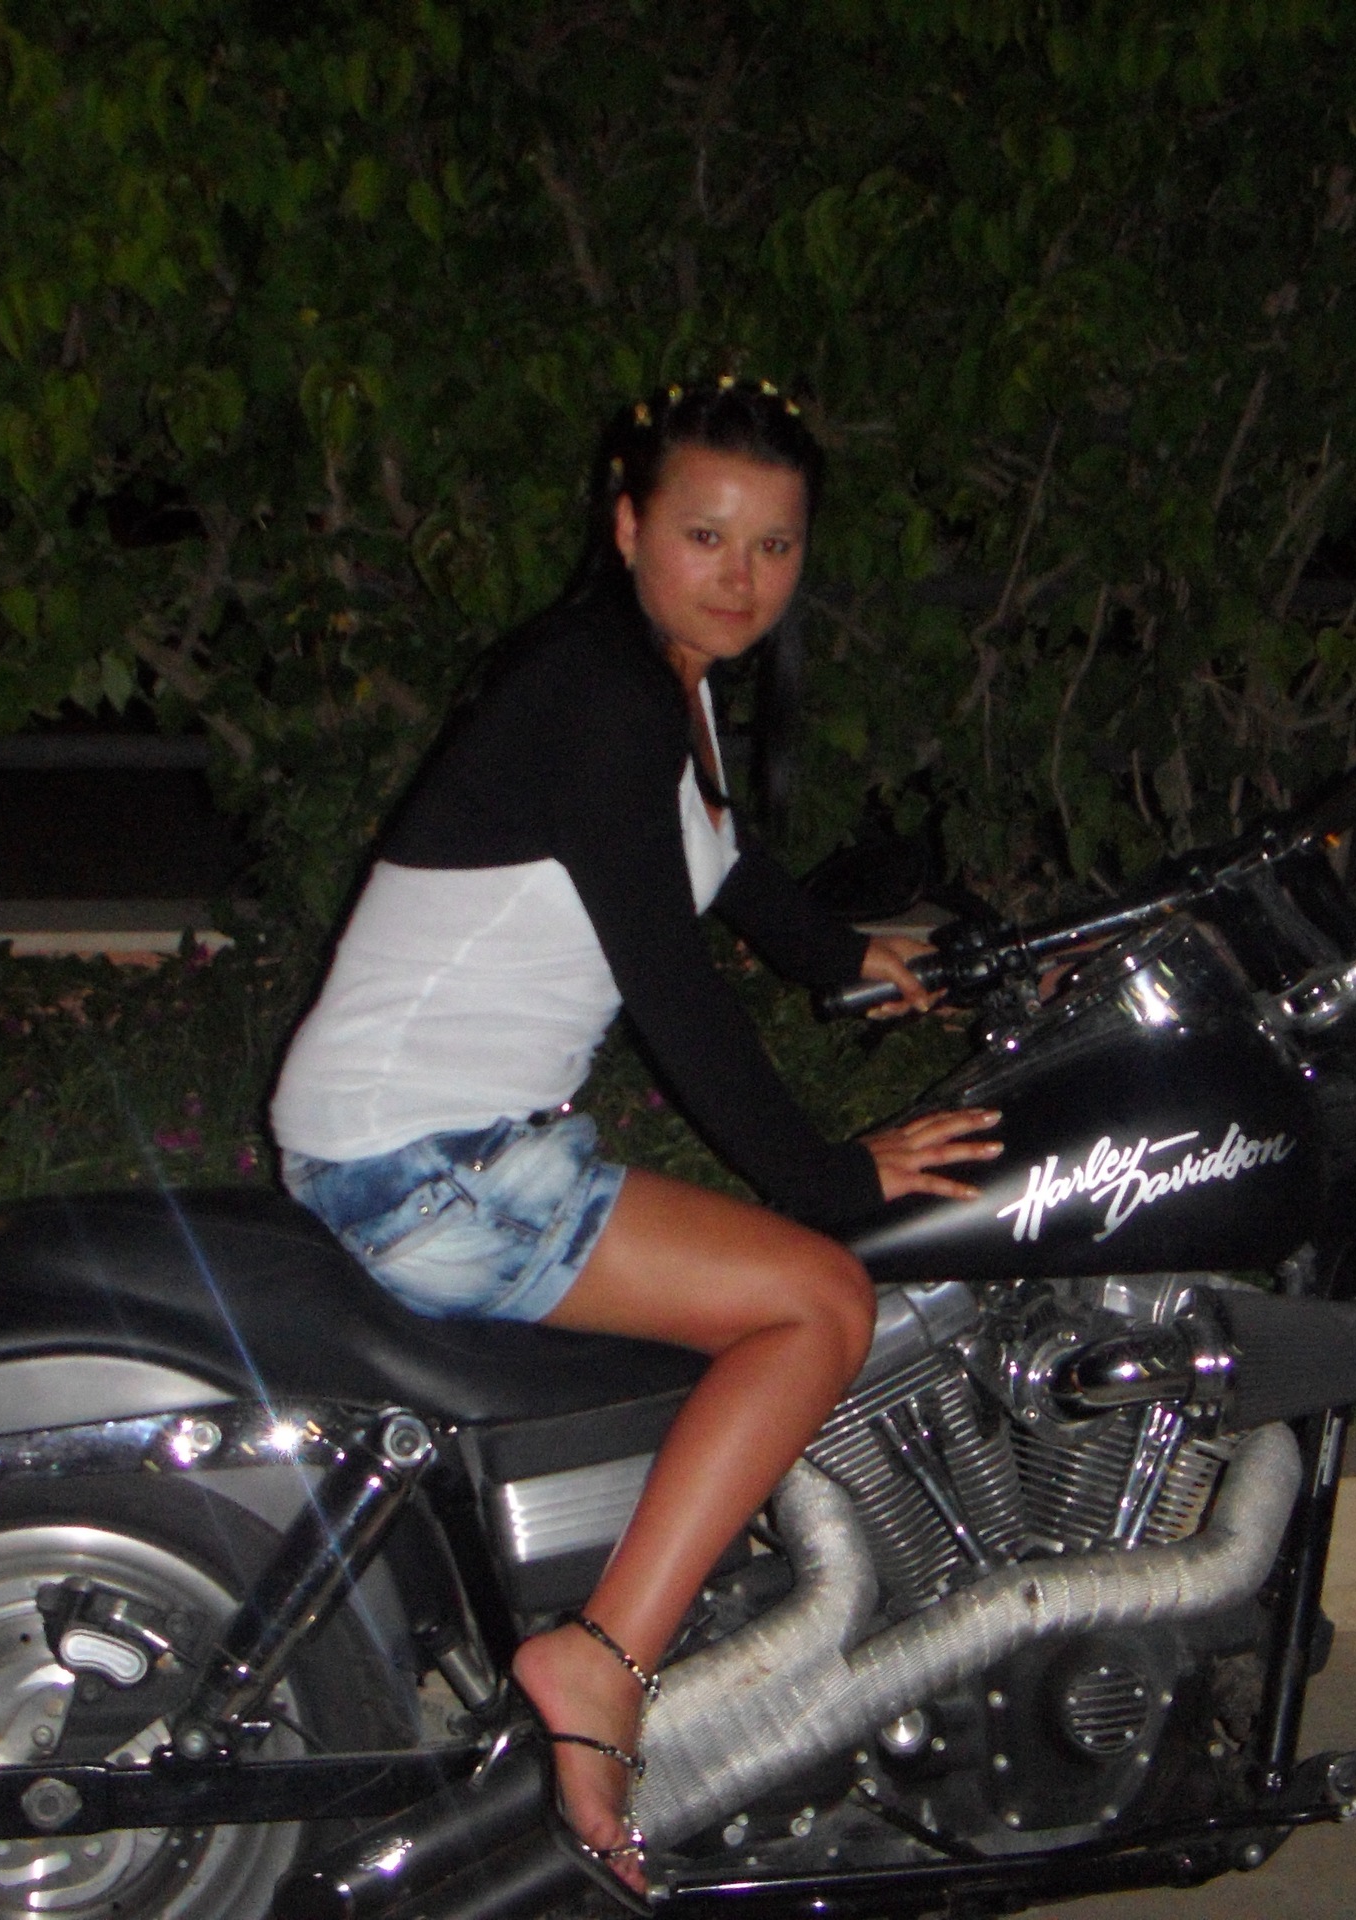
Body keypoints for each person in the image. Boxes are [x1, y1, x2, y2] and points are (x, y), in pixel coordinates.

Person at [271, 375, 1000, 1888]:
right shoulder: (601, 697)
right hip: (426, 1164)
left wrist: (857, 958)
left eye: (774, 546)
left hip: (438, 1138)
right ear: (626, 527)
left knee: (791, 1277)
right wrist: (828, 1179)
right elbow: (671, 983)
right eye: (705, 536)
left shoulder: (652, 676)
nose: (742, 577)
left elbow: (717, 870)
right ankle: (602, 1662)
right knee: (819, 1302)